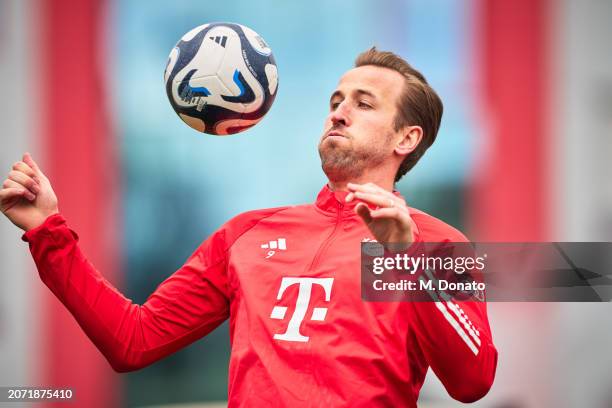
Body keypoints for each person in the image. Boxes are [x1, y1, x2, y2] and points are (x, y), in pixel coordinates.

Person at [0, 47, 497, 406]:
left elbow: (472, 382)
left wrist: (404, 261)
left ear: (406, 138)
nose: (338, 114)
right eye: (335, 100)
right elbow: (132, 341)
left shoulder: (439, 244)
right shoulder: (246, 234)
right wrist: (48, 232)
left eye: (363, 104)